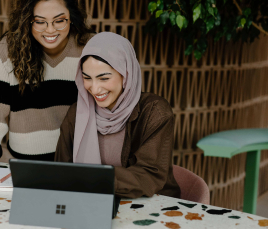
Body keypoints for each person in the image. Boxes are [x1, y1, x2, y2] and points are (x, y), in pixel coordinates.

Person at [0, 0, 93, 173]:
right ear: (27, 20)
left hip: (79, 163)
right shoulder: (10, 49)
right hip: (24, 164)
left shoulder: (90, 47)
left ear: (71, 18)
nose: (50, 30)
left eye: (59, 20)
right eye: (40, 21)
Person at [55, 32, 181, 199]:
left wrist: (92, 178)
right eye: (87, 78)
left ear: (126, 74)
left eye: (104, 78)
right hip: (92, 202)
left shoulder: (154, 112)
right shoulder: (77, 112)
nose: (95, 88)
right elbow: (61, 169)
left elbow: (149, 175)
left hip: (150, 205)